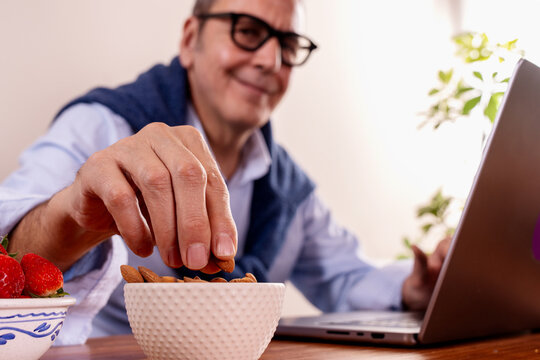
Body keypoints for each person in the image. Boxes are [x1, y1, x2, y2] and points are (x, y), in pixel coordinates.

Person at [0, 0, 449, 345]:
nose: (270, 61)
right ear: (189, 38)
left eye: (288, 46)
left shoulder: (287, 188)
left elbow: (346, 276)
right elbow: (8, 251)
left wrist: (416, 287)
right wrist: (73, 218)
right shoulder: (99, 128)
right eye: (248, 30)